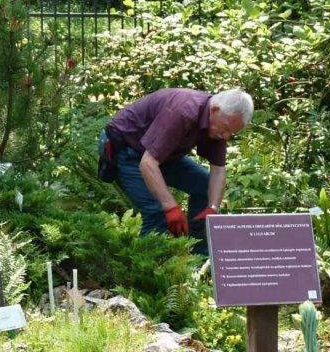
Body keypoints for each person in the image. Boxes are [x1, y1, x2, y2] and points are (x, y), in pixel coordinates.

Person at [102, 88, 253, 254]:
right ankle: (145, 273)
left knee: (204, 186)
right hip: (126, 150)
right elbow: (148, 164)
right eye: (225, 128)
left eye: (231, 133)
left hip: (160, 154)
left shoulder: (219, 125)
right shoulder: (183, 110)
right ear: (215, 109)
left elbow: (218, 170)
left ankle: (200, 262)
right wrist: (171, 207)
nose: (226, 136)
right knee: (157, 213)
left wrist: (213, 208)